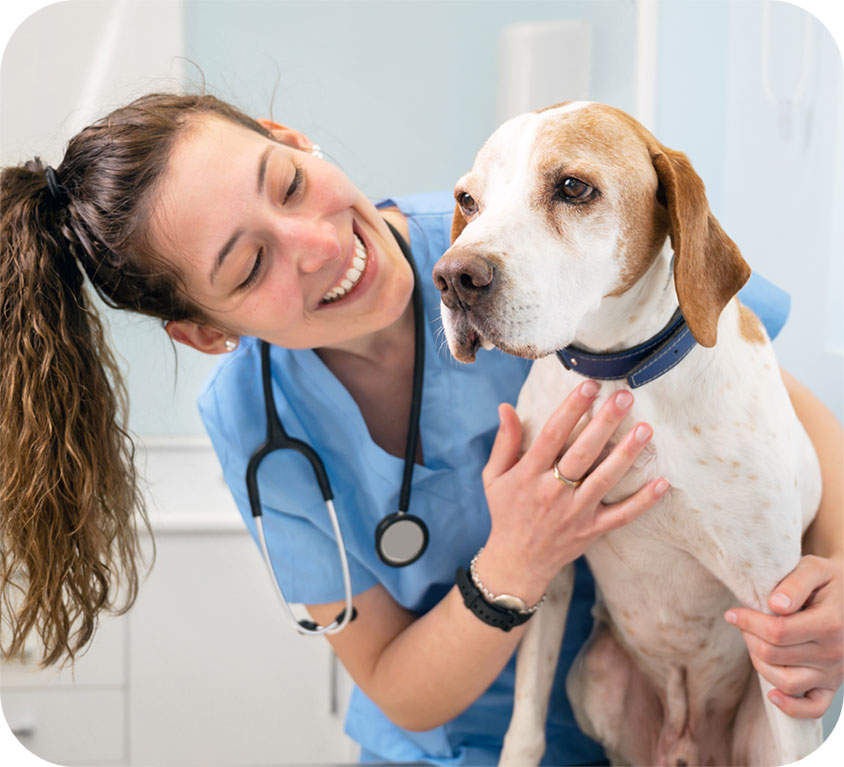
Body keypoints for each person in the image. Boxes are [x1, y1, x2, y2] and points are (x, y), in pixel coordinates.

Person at [1, 92, 841, 765]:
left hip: (613, 720)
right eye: (250, 264)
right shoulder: (255, 423)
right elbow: (397, 686)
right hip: (446, 746)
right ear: (205, 332)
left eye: (287, 183)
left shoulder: (502, 243)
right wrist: (519, 555)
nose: (317, 243)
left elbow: (776, 413)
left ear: (293, 137)